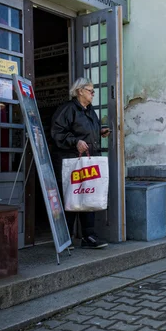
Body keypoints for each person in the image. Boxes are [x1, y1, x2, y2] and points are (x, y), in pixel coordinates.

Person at [51, 77, 111, 249]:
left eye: (93, 91)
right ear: (79, 91)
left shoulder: (90, 111)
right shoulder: (67, 110)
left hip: (88, 161)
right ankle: (66, 236)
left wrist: (99, 132)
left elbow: (87, 132)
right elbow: (57, 134)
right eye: (90, 90)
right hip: (71, 161)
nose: (93, 93)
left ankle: (89, 236)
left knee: (88, 195)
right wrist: (75, 141)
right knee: (71, 196)